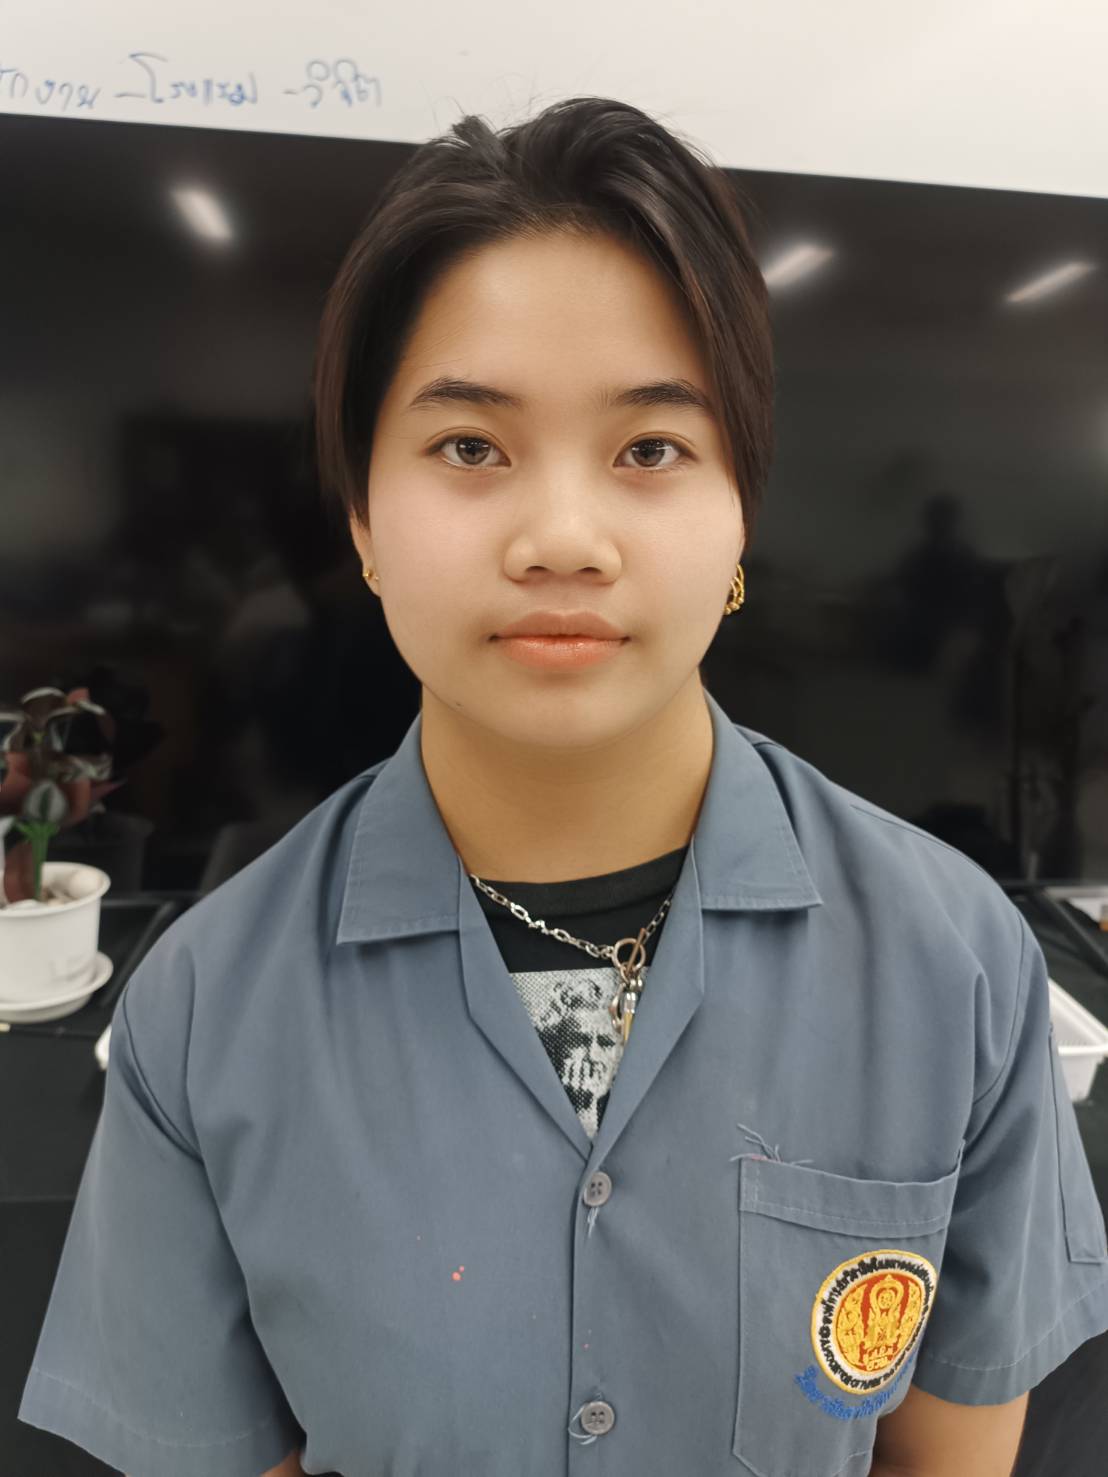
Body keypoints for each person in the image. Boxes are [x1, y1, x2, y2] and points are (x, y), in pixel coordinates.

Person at [18, 96, 1108, 1477]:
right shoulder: (206, 1008)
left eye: (651, 449)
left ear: (739, 519)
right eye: (470, 446)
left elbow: (947, 1457)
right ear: (363, 519)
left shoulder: (956, 966)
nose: (562, 538)